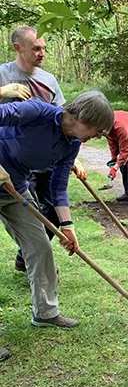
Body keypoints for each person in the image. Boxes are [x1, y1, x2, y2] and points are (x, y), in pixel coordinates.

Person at [0, 91, 113, 357]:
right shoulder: (38, 112)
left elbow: (59, 185)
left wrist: (67, 226)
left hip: (15, 189)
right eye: (98, 130)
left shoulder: (71, 144)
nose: (98, 136)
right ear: (83, 117)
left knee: (40, 247)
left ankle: (46, 313)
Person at [0, 25, 87, 272]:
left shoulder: (48, 81)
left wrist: (74, 158)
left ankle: (30, 256)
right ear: (18, 48)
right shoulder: (3, 74)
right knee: (24, 207)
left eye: (44, 48)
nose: (42, 53)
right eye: (36, 48)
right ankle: (29, 254)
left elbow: (67, 119)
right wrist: (4, 91)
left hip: (45, 156)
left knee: (46, 207)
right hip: (7, 155)